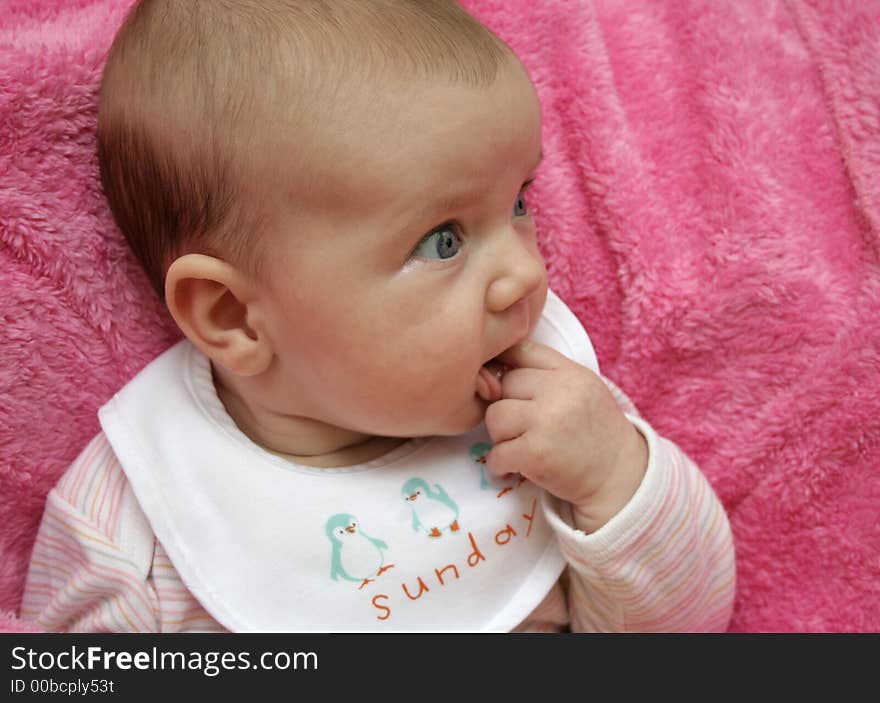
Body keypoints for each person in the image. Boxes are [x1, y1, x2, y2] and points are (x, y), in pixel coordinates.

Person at [21, 0, 735, 632]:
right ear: (233, 313)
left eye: (519, 202)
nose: (523, 273)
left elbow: (689, 623)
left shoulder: (556, 419)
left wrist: (617, 480)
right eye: (443, 240)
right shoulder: (140, 518)